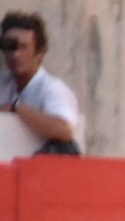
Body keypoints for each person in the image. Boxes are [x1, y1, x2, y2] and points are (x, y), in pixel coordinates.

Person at [1, 12, 84, 155]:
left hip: (41, 173)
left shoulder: (52, 89)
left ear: (39, 52)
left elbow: (64, 130)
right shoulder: (4, 82)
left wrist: (17, 108)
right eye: (10, 47)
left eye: (23, 47)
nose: (16, 54)